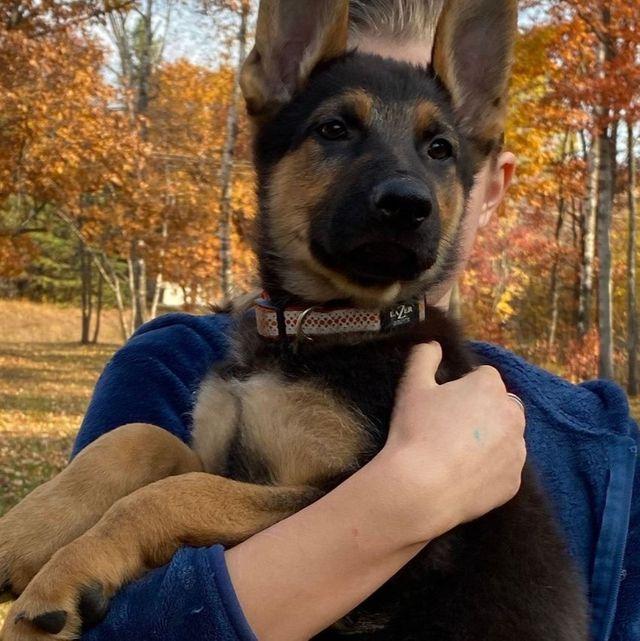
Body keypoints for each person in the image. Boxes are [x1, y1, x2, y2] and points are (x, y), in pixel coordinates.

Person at [70, 2, 639, 640]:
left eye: (437, 147)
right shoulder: (170, 366)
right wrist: (394, 506)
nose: (403, 183)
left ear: (490, 184)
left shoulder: (602, 449)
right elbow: (92, 620)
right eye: (339, 129)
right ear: (278, 96)